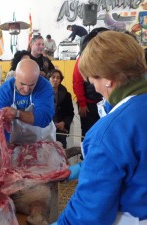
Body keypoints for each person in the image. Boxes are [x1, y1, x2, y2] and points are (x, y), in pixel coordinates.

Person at [52, 30, 147, 225]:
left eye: (92, 80)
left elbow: (89, 214)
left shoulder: (109, 132)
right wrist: (84, 167)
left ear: (107, 78)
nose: (94, 88)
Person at [0, 58, 55, 144]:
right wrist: (5, 147)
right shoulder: (4, 91)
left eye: (31, 85)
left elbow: (43, 118)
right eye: (22, 84)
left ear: (38, 78)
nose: (26, 89)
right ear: (15, 75)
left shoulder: (44, 86)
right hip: (16, 143)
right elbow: (0, 124)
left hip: (42, 141)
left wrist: (17, 113)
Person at [73, 27, 108, 140]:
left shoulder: (107, 60)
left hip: (105, 102)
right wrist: (82, 103)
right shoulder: (82, 59)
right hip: (88, 104)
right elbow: (77, 82)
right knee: (88, 131)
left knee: (104, 132)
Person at [48, 69, 74, 148]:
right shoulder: (41, 94)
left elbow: (70, 113)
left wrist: (63, 122)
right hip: (45, 129)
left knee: (61, 152)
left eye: (58, 78)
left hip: (60, 129)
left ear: (60, 80)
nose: (55, 79)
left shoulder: (67, 95)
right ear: (48, 78)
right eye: (53, 77)